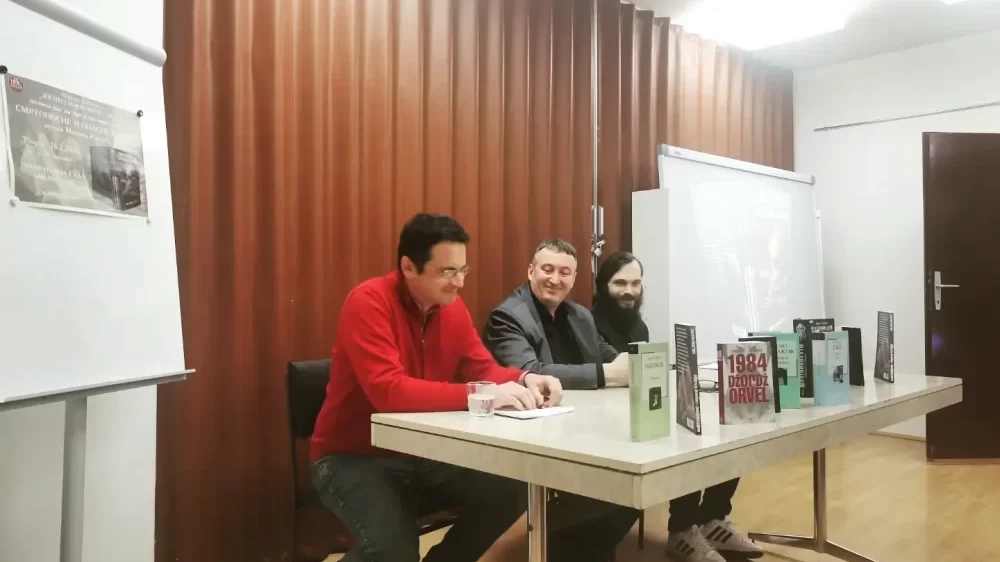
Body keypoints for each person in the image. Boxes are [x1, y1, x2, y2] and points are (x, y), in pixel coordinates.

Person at [310, 213, 564, 562]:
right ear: (408, 267)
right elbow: (389, 391)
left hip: (420, 450)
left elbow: (482, 367)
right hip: (352, 457)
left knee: (515, 484)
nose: (459, 282)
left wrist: (524, 378)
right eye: (447, 272)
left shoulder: (451, 308)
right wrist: (481, 394)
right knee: (394, 552)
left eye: (463, 270)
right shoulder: (368, 302)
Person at [592, 251, 763, 562]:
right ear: (603, 286)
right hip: (605, 424)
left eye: (635, 283)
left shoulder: (638, 326)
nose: (629, 291)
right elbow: (619, 367)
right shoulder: (587, 323)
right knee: (683, 438)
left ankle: (712, 519)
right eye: (620, 283)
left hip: (641, 408)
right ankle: (682, 529)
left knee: (724, 427)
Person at [483, 238, 640, 562]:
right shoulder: (507, 316)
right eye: (548, 269)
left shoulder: (580, 315)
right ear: (531, 271)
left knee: (633, 485)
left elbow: (610, 357)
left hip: (580, 425)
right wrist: (608, 374)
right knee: (613, 488)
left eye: (564, 272)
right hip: (530, 434)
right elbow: (531, 372)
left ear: (574, 277)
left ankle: (579, 550)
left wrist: (633, 364)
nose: (555, 279)